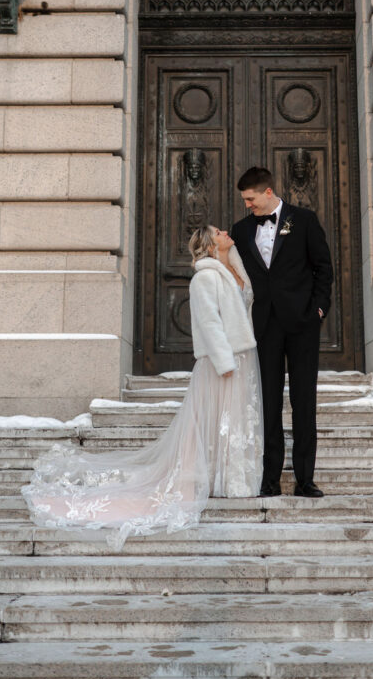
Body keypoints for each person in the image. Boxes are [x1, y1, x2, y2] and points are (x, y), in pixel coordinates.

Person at [22, 225, 263, 549]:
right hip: (223, 363)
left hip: (242, 357)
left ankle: (231, 479)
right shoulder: (206, 277)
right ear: (209, 243)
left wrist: (233, 261)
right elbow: (209, 322)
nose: (225, 231)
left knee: (231, 421)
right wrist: (224, 363)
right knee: (214, 422)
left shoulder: (232, 270)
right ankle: (207, 480)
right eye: (218, 231)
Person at [231, 166, 333, 498]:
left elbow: (323, 267)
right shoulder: (242, 229)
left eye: (251, 199)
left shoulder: (303, 220)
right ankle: (269, 479)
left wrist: (318, 309)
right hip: (264, 327)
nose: (248, 205)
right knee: (268, 405)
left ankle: (305, 480)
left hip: (302, 324)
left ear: (268, 192)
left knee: (304, 402)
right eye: (245, 200)